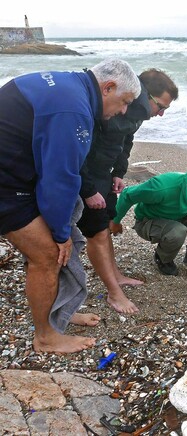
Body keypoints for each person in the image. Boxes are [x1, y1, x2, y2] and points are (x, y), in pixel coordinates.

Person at [0, 59, 141, 354]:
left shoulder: (69, 85)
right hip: (6, 183)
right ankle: (45, 337)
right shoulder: (73, 110)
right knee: (48, 254)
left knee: (52, 248)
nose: (124, 111)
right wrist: (61, 232)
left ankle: (58, 314)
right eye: (124, 102)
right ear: (108, 87)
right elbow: (60, 178)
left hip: (16, 171)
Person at [78, 69, 179, 314]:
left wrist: (118, 172)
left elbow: (126, 141)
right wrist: (89, 189)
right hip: (87, 175)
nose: (162, 114)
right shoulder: (111, 106)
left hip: (104, 173)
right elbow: (78, 149)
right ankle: (114, 294)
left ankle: (116, 275)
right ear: (146, 95)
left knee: (106, 226)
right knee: (96, 233)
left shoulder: (136, 113)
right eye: (161, 106)